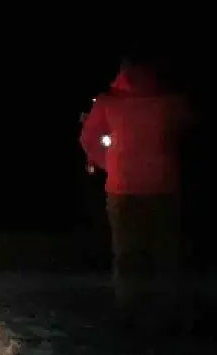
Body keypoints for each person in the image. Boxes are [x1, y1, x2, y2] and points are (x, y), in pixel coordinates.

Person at [79, 59, 191, 331]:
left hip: (123, 188)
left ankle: (129, 312)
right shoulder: (169, 101)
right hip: (163, 186)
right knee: (165, 252)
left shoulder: (108, 102)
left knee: (127, 253)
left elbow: (88, 138)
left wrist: (109, 163)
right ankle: (167, 311)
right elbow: (186, 130)